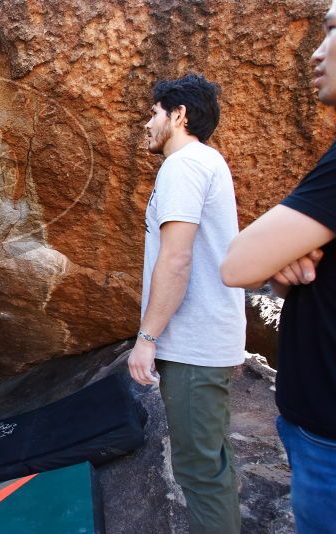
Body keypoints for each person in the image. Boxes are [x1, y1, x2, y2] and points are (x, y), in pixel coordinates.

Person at [220, 4, 336, 530]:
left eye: (333, 29)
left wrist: (277, 258)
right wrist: (288, 262)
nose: (317, 49)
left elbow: (238, 264)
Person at [128, 74, 245, 533]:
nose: (146, 123)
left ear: (178, 116)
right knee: (211, 465)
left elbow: (176, 260)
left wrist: (146, 338)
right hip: (205, 339)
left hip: (194, 344)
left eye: (153, 113)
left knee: (199, 472)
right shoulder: (204, 163)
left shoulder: (184, 165)